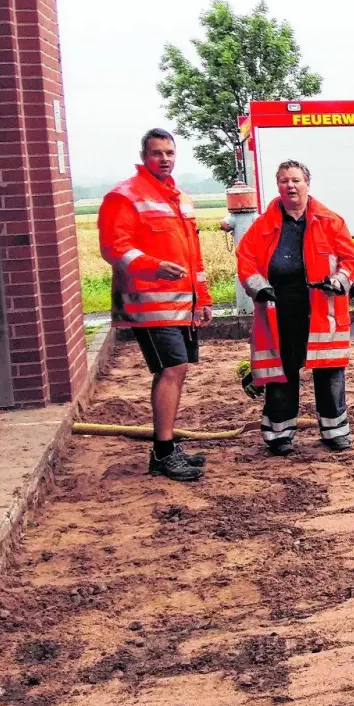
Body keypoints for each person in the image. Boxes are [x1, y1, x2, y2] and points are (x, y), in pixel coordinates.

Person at [97, 128, 210, 481]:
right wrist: (153, 265)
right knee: (172, 370)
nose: (164, 158)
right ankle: (162, 452)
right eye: (157, 152)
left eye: (169, 153)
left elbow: (193, 256)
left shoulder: (180, 198)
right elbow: (113, 247)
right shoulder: (125, 196)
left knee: (177, 371)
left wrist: (202, 298)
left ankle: (168, 446)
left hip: (181, 306)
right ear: (144, 156)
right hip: (150, 305)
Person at [238, 161, 354, 455]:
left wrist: (339, 281)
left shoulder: (331, 221)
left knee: (330, 373)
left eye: (295, 180)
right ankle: (279, 437)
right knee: (281, 372)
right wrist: (259, 287)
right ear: (277, 186)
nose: (290, 186)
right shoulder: (263, 225)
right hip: (278, 310)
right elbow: (246, 260)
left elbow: (351, 260)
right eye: (283, 181)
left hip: (322, 312)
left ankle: (335, 433)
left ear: (308, 184)